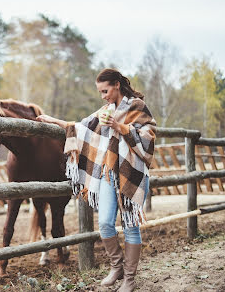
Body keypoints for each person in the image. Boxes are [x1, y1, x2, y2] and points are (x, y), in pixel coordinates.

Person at [36, 68, 156, 292]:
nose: (103, 96)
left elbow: (148, 140)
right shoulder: (106, 110)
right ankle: (116, 266)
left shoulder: (137, 106)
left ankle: (129, 279)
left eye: (105, 91)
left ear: (117, 85)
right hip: (108, 174)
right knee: (104, 223)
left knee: (130, 226)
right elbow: (82, 128)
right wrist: (54, 121)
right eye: (100, 92)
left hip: (131, 174)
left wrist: (118, 127)